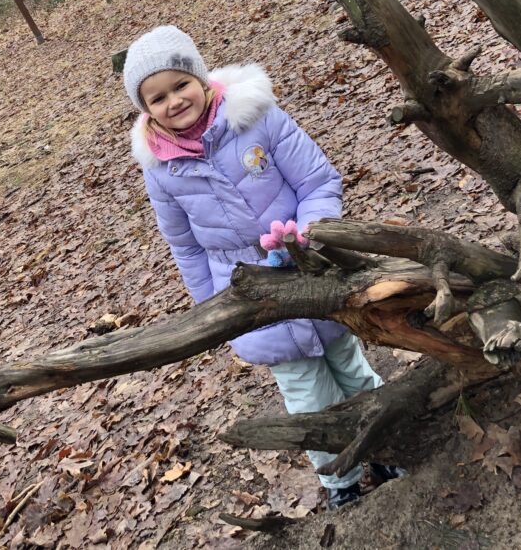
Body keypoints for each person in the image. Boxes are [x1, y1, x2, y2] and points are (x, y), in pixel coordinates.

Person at [125, 25, 403, 509]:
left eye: (180, 85)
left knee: (353, 371)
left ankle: (387, 448)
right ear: (146, 108)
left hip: (313, 271)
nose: (174, 101)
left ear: (201, 78)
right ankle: (340, 481)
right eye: (158, 98)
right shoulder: (162, 170)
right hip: (252, 296)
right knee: (307, 395)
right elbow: (186, 247)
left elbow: (317, 181)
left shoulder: (256, 119)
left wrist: (307, 236)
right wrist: (216, 310)